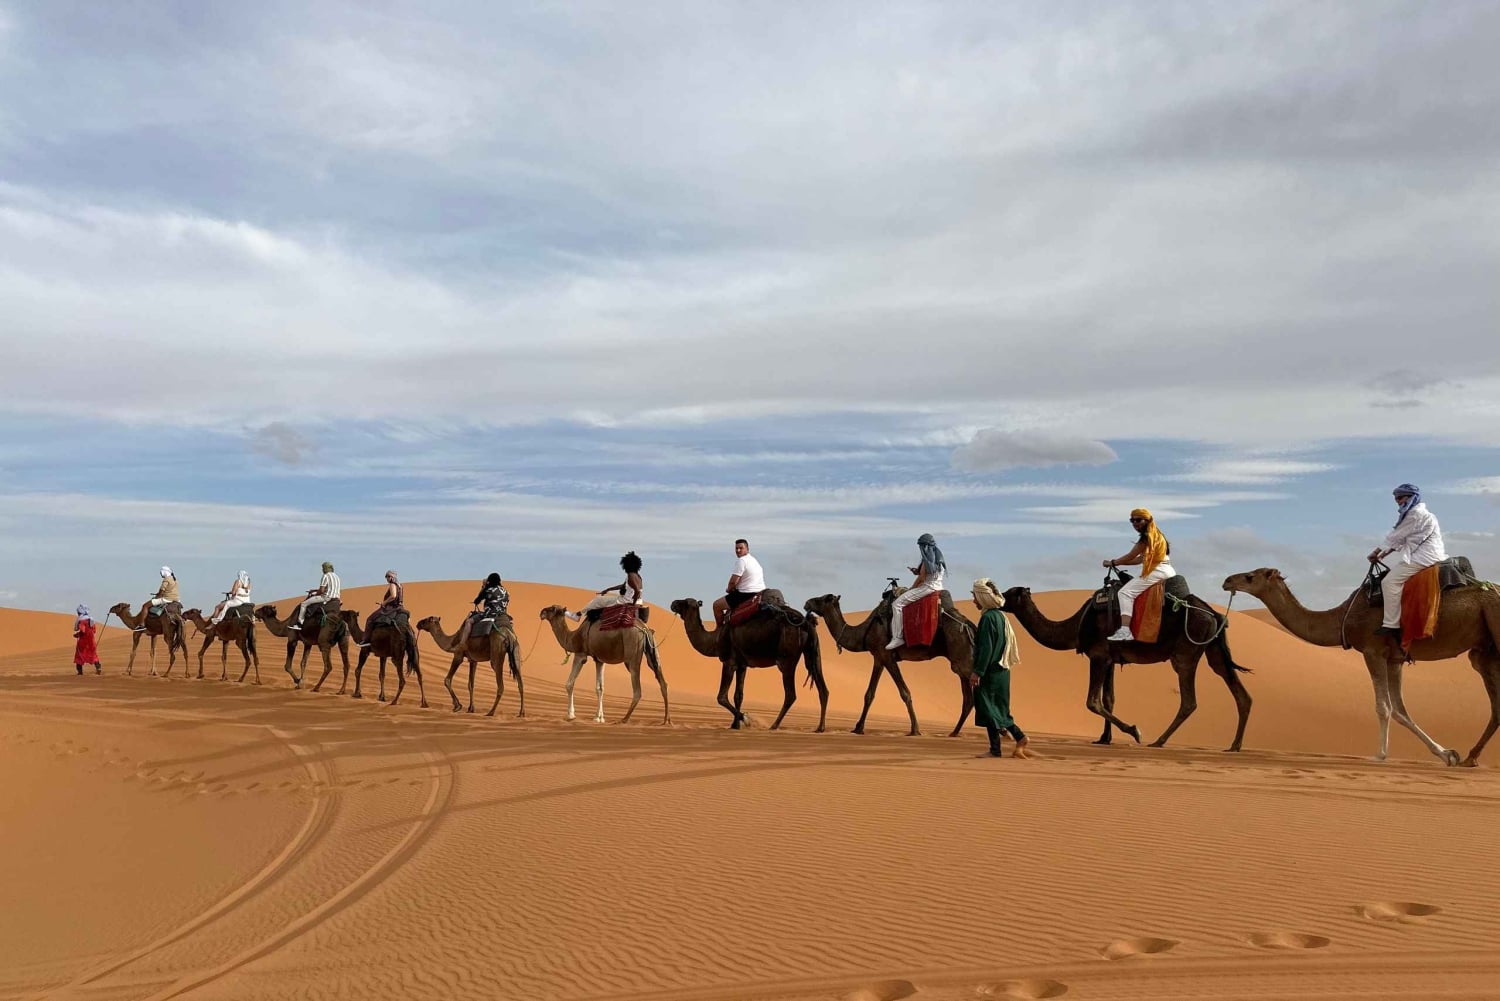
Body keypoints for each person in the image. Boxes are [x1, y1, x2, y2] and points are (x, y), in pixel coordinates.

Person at [1369, 483, 1447, 637]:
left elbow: (1396, 535)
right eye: (1396, 498)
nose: (1398, 501)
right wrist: (1385, 553)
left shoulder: (1415, 514)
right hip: (1424, 554)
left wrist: (1375, 552)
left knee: (1389, 582)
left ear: (1412, 497)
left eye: (1401, 497)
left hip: (1424, 557)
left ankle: (1391, 625)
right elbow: (1404, 538)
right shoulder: (1421, 514)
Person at [968, 579, 1029, 758]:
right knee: (998, 708)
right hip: (1002, 671)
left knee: (988, 708)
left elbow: (986, 648)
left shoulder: (988, 618)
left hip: (991, 672)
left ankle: (999, 748)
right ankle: (1016, 738)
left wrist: (977, 672)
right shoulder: (1001, 616)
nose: (974, 601)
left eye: (975, 597)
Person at [1103, 509, 1174, 642]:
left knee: (1125, 593)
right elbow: (1139, 560)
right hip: (1167, 569)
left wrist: (1112, 562)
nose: (1135, 523)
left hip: (1156, 571)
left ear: (1147, 521)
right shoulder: (1157, 536)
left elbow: (1131, 555)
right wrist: (1118, 564)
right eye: (1132, 520)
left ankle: (1125, 630)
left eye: (1138, 520)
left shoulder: (1147, 537)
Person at [886, 533, 947, 650]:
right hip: (939, 587)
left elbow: (922, 579)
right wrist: (917, 571)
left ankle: (897, 637)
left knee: (897, 604)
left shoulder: (927, 560)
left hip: (927, 588)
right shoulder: (938, 557)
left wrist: (910, 589)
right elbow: (929, 573)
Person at [569, 552, 644, 621]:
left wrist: (633, 605)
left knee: (597, 600)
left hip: (625, 601)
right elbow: (624, 586)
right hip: (639, 602)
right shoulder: (638, 576)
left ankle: (577, 615)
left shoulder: (630, 576)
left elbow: (637, 591)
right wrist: (608, 589)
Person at [712, 539, 765, 626]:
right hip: (759, 593)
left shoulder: (742, 561)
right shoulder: (754, 560)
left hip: (746, 595)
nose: (738, 550)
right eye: (736, 548)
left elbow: (733, 582)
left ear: (747, 549)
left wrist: (729, 589)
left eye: (741, 548)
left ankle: (719, 632)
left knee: (716, 605)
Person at [456, 572, 509, 646]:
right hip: (503, 614)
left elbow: (478, 599)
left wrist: (485, 586)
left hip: (490, 614)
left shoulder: (489, 590)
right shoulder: (505, 591)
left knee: (469, 622)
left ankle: (462, 644)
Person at [360, 570, 405, 647]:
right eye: (386, 577)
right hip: (399, 607)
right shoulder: (400, 586)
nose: (387, 579)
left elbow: (393, 596)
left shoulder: (392, 584)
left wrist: (384, 603)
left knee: (370, 619)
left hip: (390, 608)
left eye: (387, 576)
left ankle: (366, 640)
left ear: (392, 577)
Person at [290, 562, 341, 630]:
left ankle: (299, 624)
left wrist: (315, 593)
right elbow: (328, 588)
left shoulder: (325, 576)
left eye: (323, 568)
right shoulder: (337, 577)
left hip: (326, 598)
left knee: (303, 604)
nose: (322, 570)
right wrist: (314, 590)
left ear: (325, 568)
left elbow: (321, 591)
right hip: (336, 598)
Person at [73, 604, 101, 675]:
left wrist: (77, 635)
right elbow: (94, 631)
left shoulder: (82, 621)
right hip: (91, 641)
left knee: (79, 656)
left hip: (83, 642)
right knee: (93, 655)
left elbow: (82, 631)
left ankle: (80, 672)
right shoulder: (91, 620)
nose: (78, 614)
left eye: (78, 612)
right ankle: (98, 668)